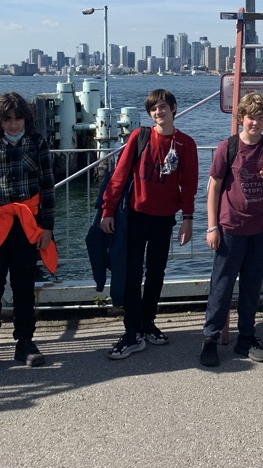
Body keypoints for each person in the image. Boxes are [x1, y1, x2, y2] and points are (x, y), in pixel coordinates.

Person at [99, 89, 198, 358]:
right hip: (135, 216)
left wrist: (187, 219)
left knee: (156, 272)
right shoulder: (139, 137)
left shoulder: (186, 144)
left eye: (163, 106)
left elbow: (189, 186)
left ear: (174, 108)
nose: (158, 112)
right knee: (131, 273)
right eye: (153, 108)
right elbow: (119, 175)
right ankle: (132, 331)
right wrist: (108, 210)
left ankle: (148, 322)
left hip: (164, 218)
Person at [0, 92, 56, 375]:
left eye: (18, 118)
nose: (14, 124)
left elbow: (48, 188)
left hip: (27, 225)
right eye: (7, 119)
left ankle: (25, 341)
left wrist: (48, 228)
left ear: (27, 119)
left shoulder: (37, 143)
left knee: (24, 285)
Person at [200, 92, 263, 367]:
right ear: (241, 118)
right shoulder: (227, 147)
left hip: (260, 227)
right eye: (251, 117)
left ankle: (246, 337)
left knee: (252, 287)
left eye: (260, 118)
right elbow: (213, 187)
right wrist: (212, 226)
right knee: (222, 285)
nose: (255, 123)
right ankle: (210, 339)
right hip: (230, 227)